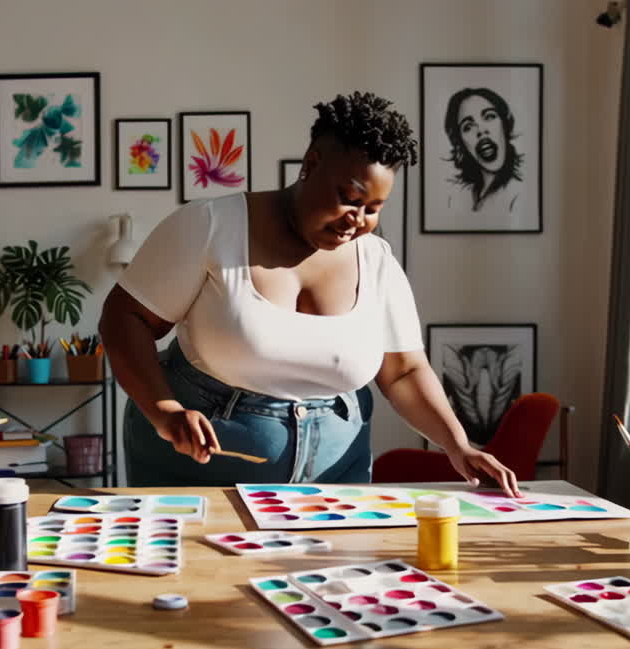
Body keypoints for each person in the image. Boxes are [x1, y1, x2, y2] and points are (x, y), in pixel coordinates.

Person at [100, 91, 521, 497]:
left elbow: (404, 371)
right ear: (311, 163)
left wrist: (458, 444)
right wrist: (165, 412)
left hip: (337, 479)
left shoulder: (376, 260)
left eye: (373, 208)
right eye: (349, 198)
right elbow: (125, 320)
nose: (357, 220)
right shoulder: (209, 226)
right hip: (197, 471)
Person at [442, 87, 524, 214]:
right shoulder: (454, 199)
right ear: (460, 144)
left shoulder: (519, 196)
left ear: (505, 124)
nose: (480, 130)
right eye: (468, 126)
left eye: (489, 116)